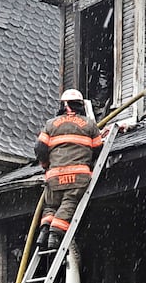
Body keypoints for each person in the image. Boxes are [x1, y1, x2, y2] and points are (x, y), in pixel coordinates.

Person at [34, 88, 104, 252]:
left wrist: (45, 165)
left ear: (63, 105)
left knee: (51, 205)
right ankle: (54, 234)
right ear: (80, 105)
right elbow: (98, 150)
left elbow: (39, 148)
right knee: (69, 203)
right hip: (78, 176)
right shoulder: (90, 124)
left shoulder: (50, 124)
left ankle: (44, 230)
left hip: (54, 177)